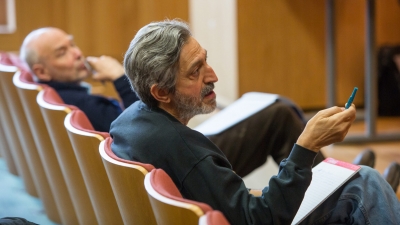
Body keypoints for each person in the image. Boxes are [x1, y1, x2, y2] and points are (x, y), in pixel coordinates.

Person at [110, 19, 400, 224]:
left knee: (355, 183)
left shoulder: (128, 122)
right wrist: (306, 145)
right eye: (196, 71)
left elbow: (227, 202)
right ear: (161, 92)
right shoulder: (184, 150)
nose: (213, 76)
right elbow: (262, 218)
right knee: (365, 183)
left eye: (205, 61)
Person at [19, 27, 334, 177]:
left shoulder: (55, 97)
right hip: (173, 160)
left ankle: (337, 179)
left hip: (164, 155)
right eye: (62, 52)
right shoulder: (79, 105)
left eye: (72, 44)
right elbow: (141, 118)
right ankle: (336, 184)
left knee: (275, 110)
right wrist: (119, 78)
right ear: (41, 70)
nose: (75, 53)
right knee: (278, 115)